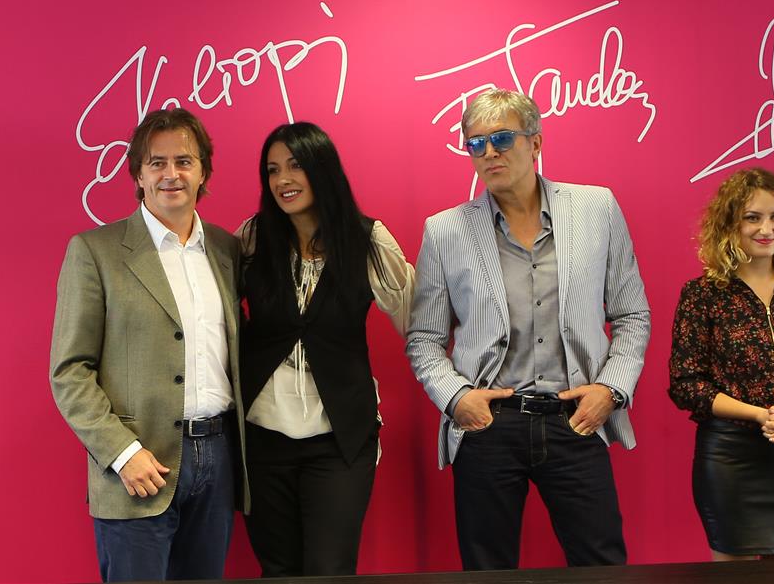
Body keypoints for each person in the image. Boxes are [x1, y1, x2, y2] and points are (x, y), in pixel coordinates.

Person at [406, 88, 651, 570]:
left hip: (576, 417)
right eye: (476, 143)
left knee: (602, 566)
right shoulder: (445, 231)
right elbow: (424, 339)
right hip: (489, 425)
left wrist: (610, 390)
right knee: (487, 572)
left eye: (502, 139)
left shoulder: (596, 208)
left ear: (535, 142)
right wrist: (458, 399)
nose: (489, 153)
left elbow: (632, 315)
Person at [50, 108, 245, 582]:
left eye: (184, 161)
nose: (170, 174)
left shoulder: (226, 250)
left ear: (203, 172)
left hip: (218, 460)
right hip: (137, 468)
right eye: (157, 163)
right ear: (138, 174)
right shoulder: (95, 251)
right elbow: (70, 372)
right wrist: (122, 453)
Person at [236, 122, 414, 577]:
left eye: (295, 165)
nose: (283, 180)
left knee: (329, 570)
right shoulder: (253, 238)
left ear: (323, 169)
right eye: (272, 170)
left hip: (339, 438)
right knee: (278, 570)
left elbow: (418, 324)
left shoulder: (367, 240)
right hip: (262, 435)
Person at [668, 167, 774, 561]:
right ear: (731, 224)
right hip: (729, 456)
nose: (767, 229)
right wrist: (759, 415)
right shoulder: (703, 294)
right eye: (753, 217)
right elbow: (686, 383)